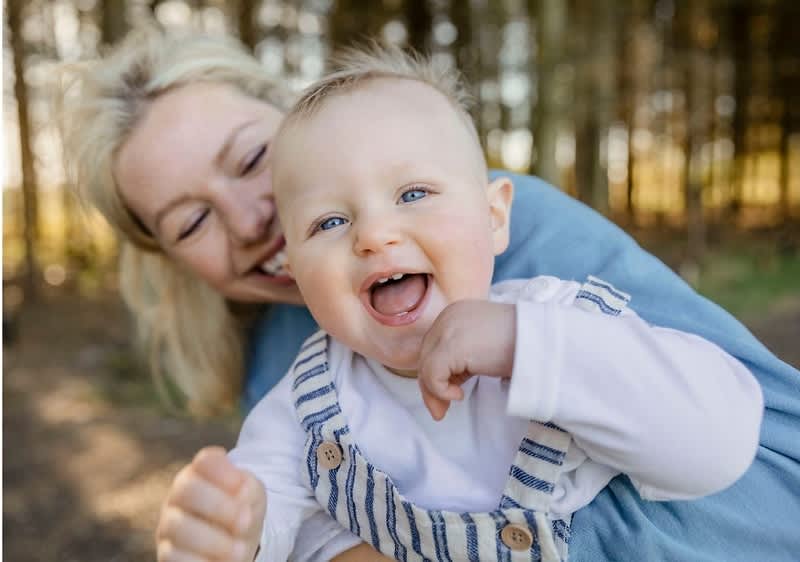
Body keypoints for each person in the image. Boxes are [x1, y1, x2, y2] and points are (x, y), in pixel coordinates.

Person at [59, 28, 800, 562]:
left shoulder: (546, 296)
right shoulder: (294, 389)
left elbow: (725, 442)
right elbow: (280, 507)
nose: (252, 220)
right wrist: (237, 531)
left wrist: (530, 345)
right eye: (192, 221)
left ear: (494, 213)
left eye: (252, 158)